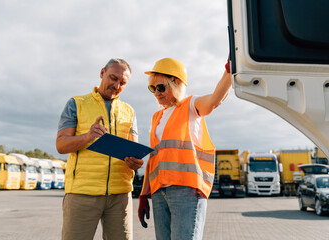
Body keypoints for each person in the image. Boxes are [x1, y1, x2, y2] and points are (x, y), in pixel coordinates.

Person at [138, 57, 231, 240]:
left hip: (185, 192)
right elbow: (153, 158)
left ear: (177, 84)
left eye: (161, 87)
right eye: (152, 88)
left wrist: (229, 70)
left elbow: (214, 100)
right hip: (159, 193)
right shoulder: (157, 117)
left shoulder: (190, 105)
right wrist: (144, 194)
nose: (156, 92)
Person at [56, 58, 144, 240]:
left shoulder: (129, 111)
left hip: (120, 195)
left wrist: (136, 162)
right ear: (102, 73)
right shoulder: (75, 104)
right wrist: (87, 137)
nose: (116, 85)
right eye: (113, 78)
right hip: (82, 193)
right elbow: (61, 145)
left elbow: (134, 149)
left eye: (123, 83)